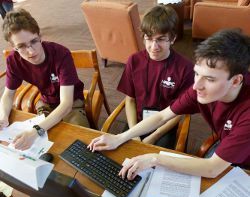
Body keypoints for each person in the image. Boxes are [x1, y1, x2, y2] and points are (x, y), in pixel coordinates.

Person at [88, 29, 250, 180]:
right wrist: (119, 137)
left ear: (235, 81)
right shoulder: (202, 89)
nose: (196, 86)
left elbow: (212, 169)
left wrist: (155, 159)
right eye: (196, 73)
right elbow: (162, 116)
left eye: (209, 79)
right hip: (228, 142)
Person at [0, 8, 88, 150]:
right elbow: (8, 95)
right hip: (45, 101)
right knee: (44, 147)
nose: (31, 51)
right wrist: (3, 117)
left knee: (79, 145)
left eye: (34, 41)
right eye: (21, 46)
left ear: (40, 36)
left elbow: (66, 104)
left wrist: (36, 130)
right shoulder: (13, 60)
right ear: (13, 47)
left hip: (72, 102)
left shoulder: (61, 54)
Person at [117, 5, 194, 149]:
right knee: (121, 158)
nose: (154, 46)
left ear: (172, 39)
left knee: (156, 165)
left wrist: (154, 136)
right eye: (149, 38)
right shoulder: (134, 60)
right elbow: (130, 101)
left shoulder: (186, 68)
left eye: (160, 39)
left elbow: (178, 113)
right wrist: (134, 133)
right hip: (137, 121)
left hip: (165, 126)